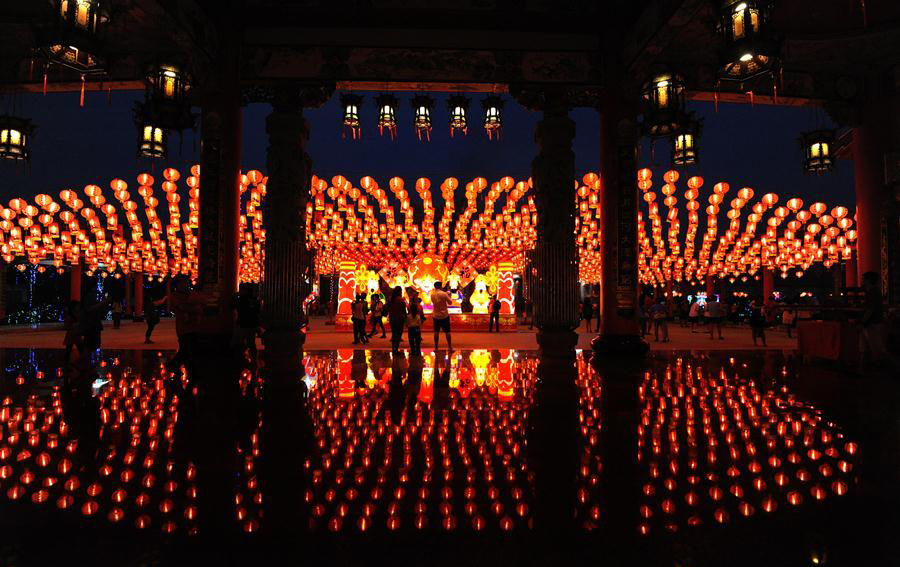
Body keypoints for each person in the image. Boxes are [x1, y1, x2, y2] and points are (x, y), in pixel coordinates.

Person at [169, 276, 203, 373]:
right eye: (183, 283)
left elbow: (200, 304)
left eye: (186, 283)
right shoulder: (174, 296)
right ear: (178, 285)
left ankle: (187, 368)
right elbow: (178, 307)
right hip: (183, 327)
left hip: (195, 326)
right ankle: (174, 365)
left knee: (190, 348)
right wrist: (193, 308)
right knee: (185, 348)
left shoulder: (192, 294)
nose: (186, 285)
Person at [232, 283, 261, 363]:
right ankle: (254, 360)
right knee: (251, 343)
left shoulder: (241, 300)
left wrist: (234, 297)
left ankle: (241, 359)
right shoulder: (255, 301)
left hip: (242, 324)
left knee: (238, 343)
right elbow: (258, 312)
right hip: (252, 324)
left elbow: (233, 306)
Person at [430, 281, 453, 351]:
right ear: (441, 286)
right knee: (447, 332)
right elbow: (450, 303)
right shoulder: (444, 294)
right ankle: (449, 347)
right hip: (444, 315)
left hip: (436, 315)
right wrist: (449, 296)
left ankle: (436, 347)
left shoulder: (432, 294)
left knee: (436, 331)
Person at [386, 287, 407, 354]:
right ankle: (396, 348)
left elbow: (388, 308)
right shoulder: (401, 300)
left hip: (392, 318)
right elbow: (404, 311)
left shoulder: (391, 299)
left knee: (394, 333)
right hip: (400, 318)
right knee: (398, 334)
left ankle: (393, 348)